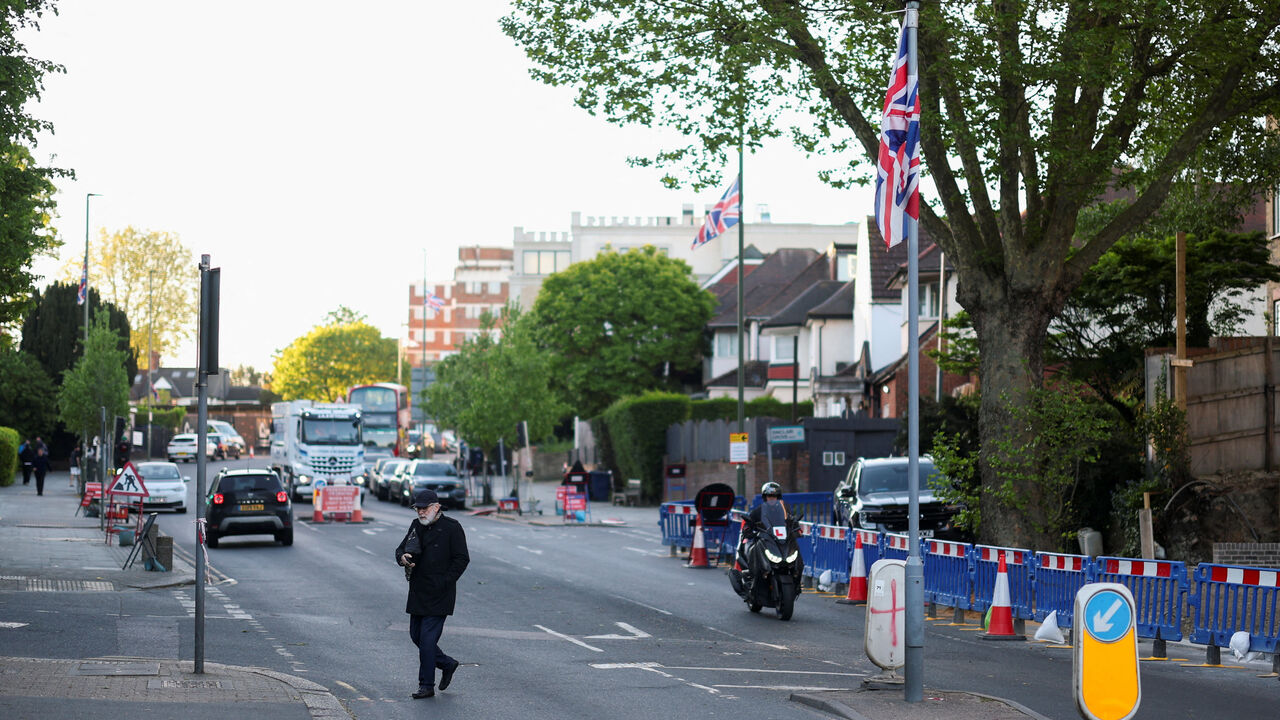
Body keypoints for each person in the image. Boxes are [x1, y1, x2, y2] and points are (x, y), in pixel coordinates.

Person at [395, 489, 469, 700]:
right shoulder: (416, 526)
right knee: (416, 636)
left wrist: (445, 581)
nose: (420, 512)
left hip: (440, 593)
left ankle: (426, 685)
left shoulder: (452, 527)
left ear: (436, 507)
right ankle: (447, 664)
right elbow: (400, 550)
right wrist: (403, 558)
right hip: (418, 590)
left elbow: (462, 559)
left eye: (424, 508)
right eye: (417, 508)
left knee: (427, 641)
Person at [740, 482, 789, 581]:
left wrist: (796, 528)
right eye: (769, 496)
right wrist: (748, 530)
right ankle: (752, 573)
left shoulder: (784, 511)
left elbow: (790, 521)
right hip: (763, 540)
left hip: (780, 542)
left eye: (774, 496)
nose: (772, 498)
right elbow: (748, 523)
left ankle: (795, 574)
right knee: (751, 550)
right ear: (765, 497)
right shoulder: (758, 511)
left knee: (795, 553)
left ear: (778, 497)